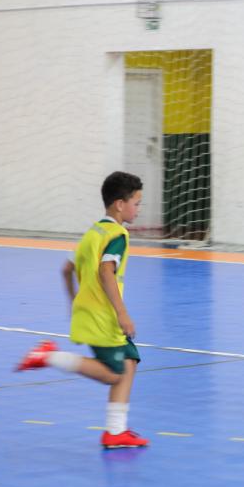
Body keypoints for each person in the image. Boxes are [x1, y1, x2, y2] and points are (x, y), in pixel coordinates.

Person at [16, 171, 149, 448]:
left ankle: (116, 431)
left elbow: (66, 269)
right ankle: (50, 356)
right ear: (120, 204)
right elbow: (106, 271)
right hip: (104, 317)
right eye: (136, 203)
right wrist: (122, 313)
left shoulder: (93, 232)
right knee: (114, 374)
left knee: (129, 361)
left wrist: (73, 302)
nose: (138, 209)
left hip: (88, 312)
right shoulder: (117, 235)